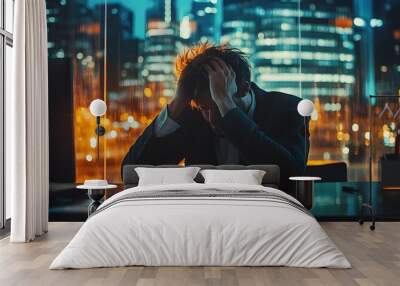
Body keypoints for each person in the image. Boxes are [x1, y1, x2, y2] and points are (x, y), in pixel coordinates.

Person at [122, 44, 309, 195]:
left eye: (217, 107)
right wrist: (178, 103)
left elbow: (290, 174)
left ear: (243, 89)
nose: (210, 118)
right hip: (203, 217)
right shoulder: (193, 116)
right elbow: (133, 171)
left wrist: (226, 106)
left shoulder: (288, 108)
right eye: (205, 108)